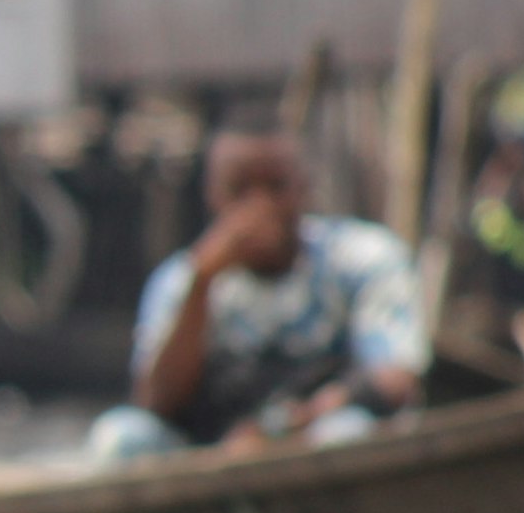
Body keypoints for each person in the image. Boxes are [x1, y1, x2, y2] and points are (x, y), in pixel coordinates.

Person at [89, 131, 422, 463]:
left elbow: (396, 377)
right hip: (214, 448)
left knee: (346, 435)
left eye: (276, 187)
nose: (260, 208)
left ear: (303, 188)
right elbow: (155, 402)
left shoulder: (362, 257)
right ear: (213, 195)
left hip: (316, 428)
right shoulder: (183, 278)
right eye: (241, 191)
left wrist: (288, 426)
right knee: (120, 437)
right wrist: (201, 283)